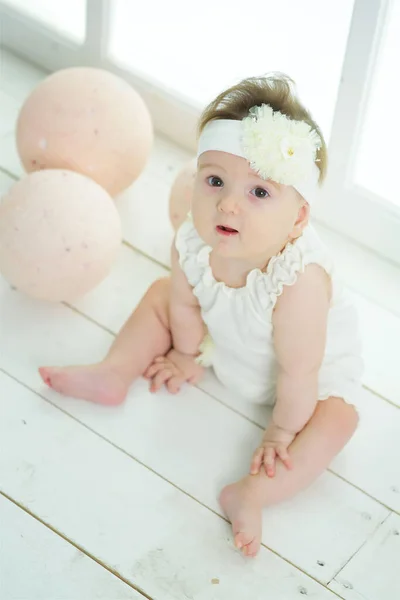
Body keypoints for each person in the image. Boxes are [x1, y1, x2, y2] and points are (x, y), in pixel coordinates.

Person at [39, 74, 363, 557]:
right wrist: (187, 353)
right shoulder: (192, 238)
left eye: (259, 193)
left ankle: (253, 492)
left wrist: (281, 431)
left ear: (298, 219)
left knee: (339, 420)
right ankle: (114, 371)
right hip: (224, 339)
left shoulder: (298, 281)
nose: (228, 203)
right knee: (160, 293)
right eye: (215, 181)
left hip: (297, 382)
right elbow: (186, 303)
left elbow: (301, 371)